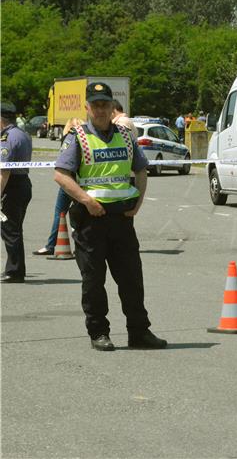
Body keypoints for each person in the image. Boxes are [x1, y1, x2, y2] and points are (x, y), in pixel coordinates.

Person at [54, 82, 167, 351]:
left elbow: (141, 170)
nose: (101, 110)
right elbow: (61, 175)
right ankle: (98, 333)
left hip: (122, 220)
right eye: (96, 105)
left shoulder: (125, 136)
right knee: (94, 281)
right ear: (87, 107)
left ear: (111, 107)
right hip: (90, 221)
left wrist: (137, 203)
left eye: (105, 104)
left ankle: (139, 333)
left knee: (131, 279)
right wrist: (86, 200)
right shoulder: (77, 137)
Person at [33, 117, 85, 256]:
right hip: (83, 182)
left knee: (60, 213)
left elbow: (63, 165)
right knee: (81, 214)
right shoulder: (87, 140)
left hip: (68, 181)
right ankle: (82, 244)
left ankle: (51, 245)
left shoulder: (68, 139)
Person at [1, 102, 33, 283]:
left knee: (10, 229)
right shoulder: (23, 134)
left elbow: (4, 171)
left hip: (11, 186)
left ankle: (14, 271)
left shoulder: (7, 138)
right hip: (23, 184)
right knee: (15, 229)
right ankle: (15, 269)